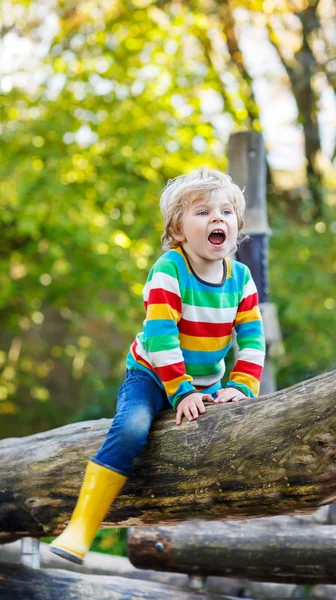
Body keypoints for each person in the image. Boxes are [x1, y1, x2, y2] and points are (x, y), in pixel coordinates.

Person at [49, 167, 266, 564]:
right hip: (152, 375)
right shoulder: (170, 269)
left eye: (226, 212)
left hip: (205, 383)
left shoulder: (242, 277)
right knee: (132, 429)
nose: (217, 218)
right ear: (179, 231)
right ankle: (81, 527)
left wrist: (242, 386)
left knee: (228, 437)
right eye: (202, 213)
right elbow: (163, 338)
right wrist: (181, 392)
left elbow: (251, 339)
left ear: (236, 224)